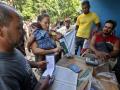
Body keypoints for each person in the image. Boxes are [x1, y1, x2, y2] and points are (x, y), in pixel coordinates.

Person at [0, 3, 51, 90]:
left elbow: (20, 62)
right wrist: (42, 88)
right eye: (18, 28)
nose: (23, 32)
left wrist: (36, 64)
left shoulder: (11, 48)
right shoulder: (4, 74)